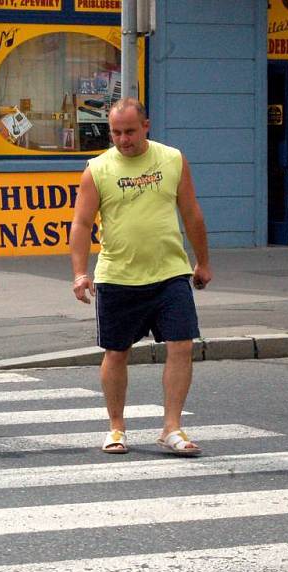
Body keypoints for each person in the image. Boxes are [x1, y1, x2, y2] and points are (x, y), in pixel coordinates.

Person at [70, 97, 213, 456]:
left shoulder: (172, 159)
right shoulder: (97, 169)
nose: (123, 139)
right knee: (116, 352)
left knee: (181, 346)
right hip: (117, 276)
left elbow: (192, 214)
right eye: (115, 132)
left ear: (146, 126)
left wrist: (203, 263)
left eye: (130, 131)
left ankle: (171, 427)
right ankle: (116, 428)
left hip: (170, 272)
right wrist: (78, 273)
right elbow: (82, 223)